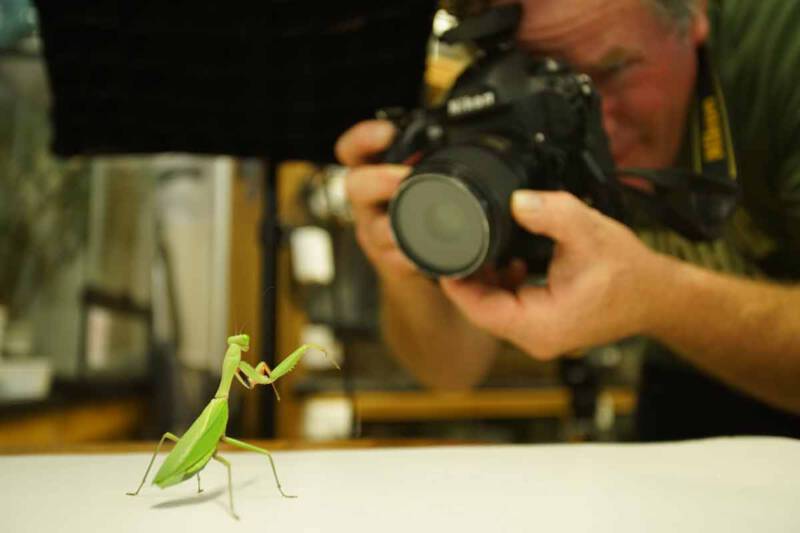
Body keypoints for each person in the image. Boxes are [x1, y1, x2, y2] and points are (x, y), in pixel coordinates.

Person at [335, 0, 800, 440]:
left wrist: (656, 299)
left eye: (613, 69)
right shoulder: (514, 99)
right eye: (550, 76)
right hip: (689, 376)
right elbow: (451, 371)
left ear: (694, 12)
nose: (592, 114)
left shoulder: (780, 45)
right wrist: (411, 258)